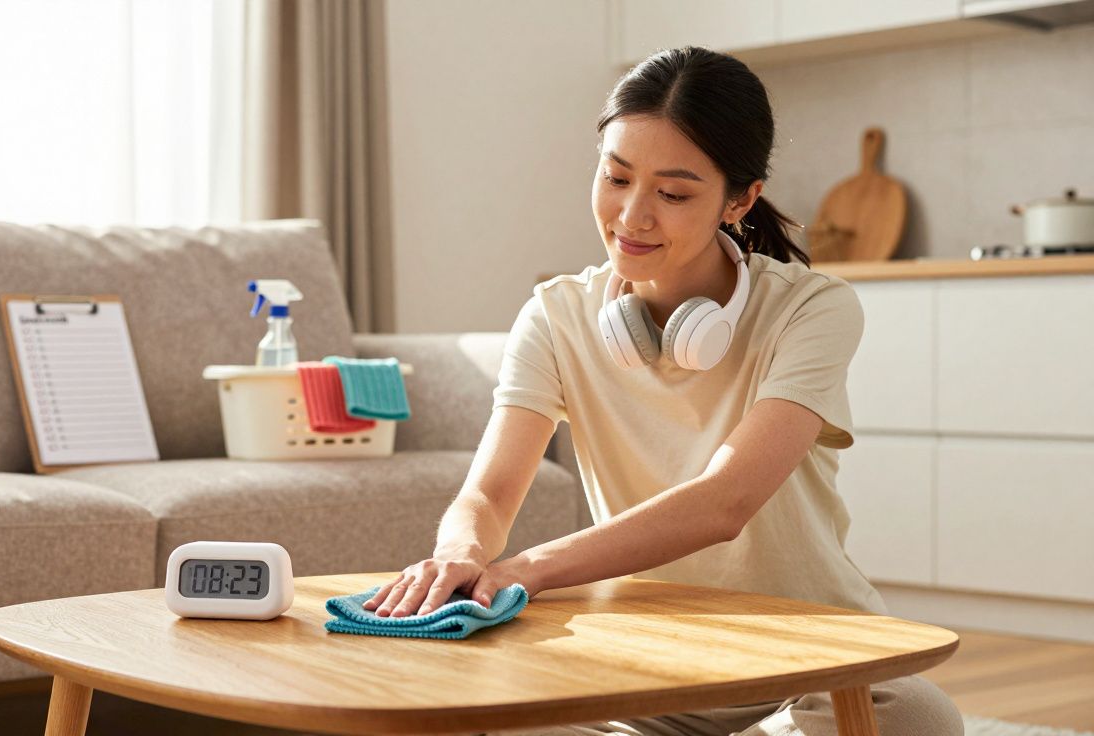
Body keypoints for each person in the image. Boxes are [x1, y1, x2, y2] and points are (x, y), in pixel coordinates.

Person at [362, 47, 964, 736]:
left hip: (809, 658)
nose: (632, 216)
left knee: (917, 717)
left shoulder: (813, 310)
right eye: (616, 177)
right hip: (647, 665)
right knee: (479, 716)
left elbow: (725, 501)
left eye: (673, 194)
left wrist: (526, 568)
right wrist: (461, 552)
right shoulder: (556, 316)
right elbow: (490, 494)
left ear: (741, 199)